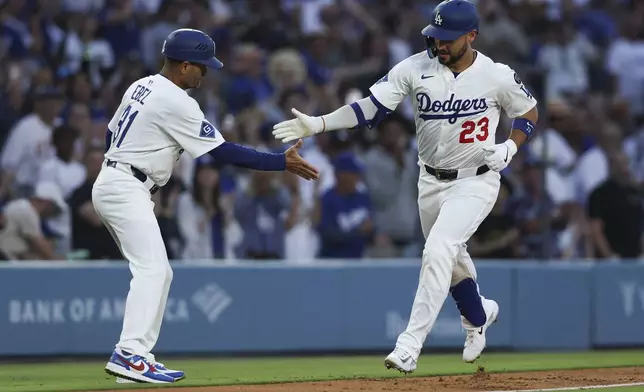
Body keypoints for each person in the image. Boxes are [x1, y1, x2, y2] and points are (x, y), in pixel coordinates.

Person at [273, 0, 538, 373]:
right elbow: (369, 109)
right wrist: (318, 124)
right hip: (429, 179)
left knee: (439, 249)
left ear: (471, 36)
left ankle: (409, 345)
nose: (440, 44)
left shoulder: (496, 75)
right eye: (436, 37)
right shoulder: (415, 67)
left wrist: (511, 146)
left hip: (476, 180)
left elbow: (528, 111)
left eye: (448, 39)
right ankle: (479, 313)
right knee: (451, 262)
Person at [94, 28, 319, 384]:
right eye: (202, 67)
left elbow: (110, 134)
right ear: (184, 66)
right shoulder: (177, 100)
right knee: (153, 270)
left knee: (157, 271)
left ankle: (136, 358)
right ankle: (130, 353)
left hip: (118, 180)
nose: (205, 73)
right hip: (125, 186)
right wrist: (280, 162)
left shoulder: (141, 85)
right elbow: (222, 152)